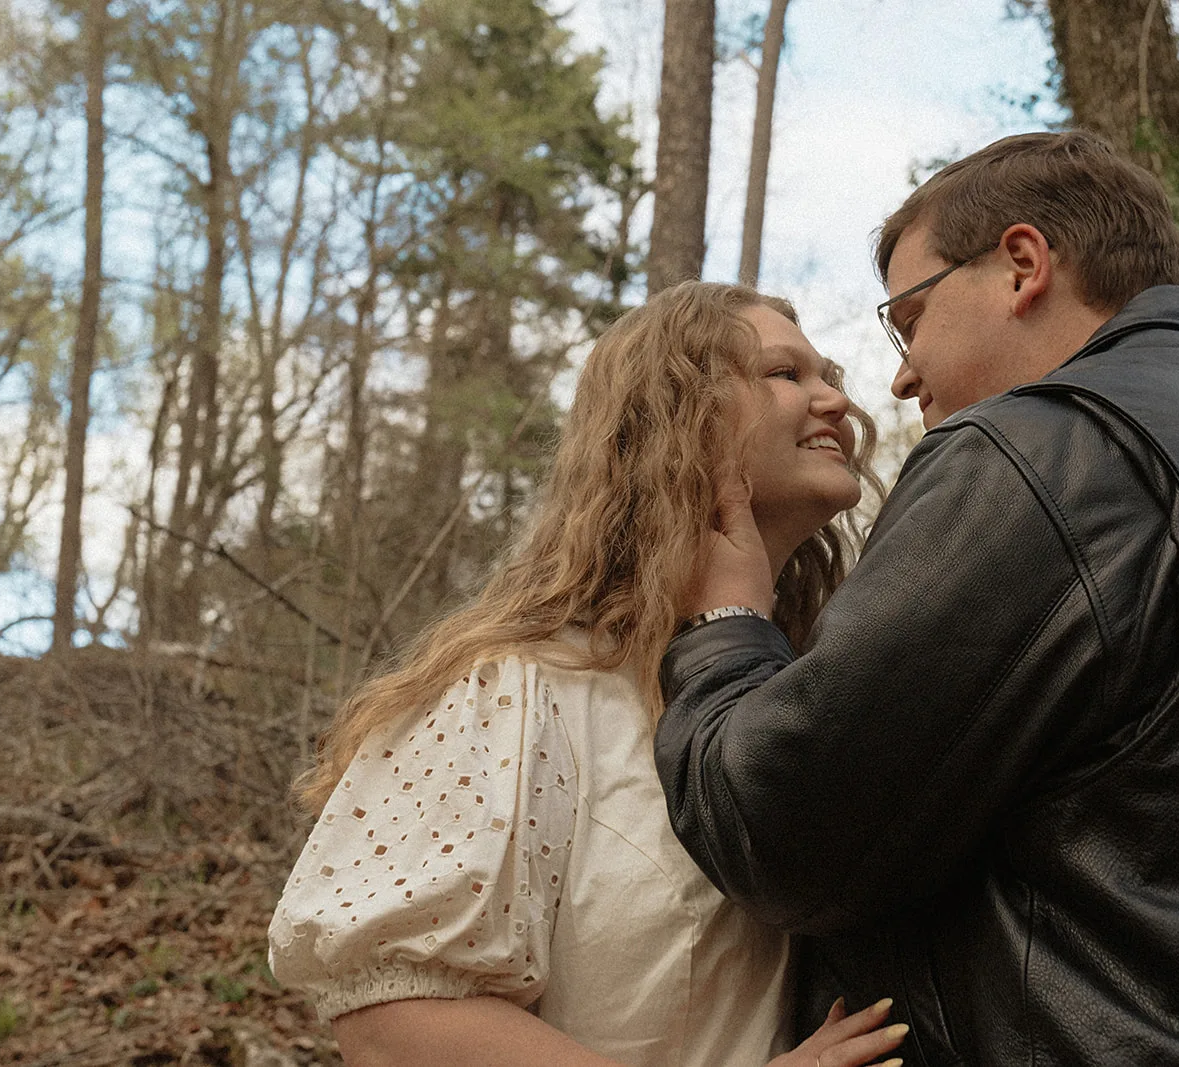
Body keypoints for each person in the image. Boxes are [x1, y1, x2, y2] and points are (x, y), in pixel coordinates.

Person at [654, 130, 1179, 1065]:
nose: (899, 376)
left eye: (910, 321)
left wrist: (725, 629)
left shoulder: (1043, 453)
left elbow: (779, 832)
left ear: (1022, 265)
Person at [267, 282, 911, 1067]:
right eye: (786, 374)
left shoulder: (804, 687)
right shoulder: (515, 687)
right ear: (678, 419)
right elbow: (394, 1019)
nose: (835, 403)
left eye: (831, 378)